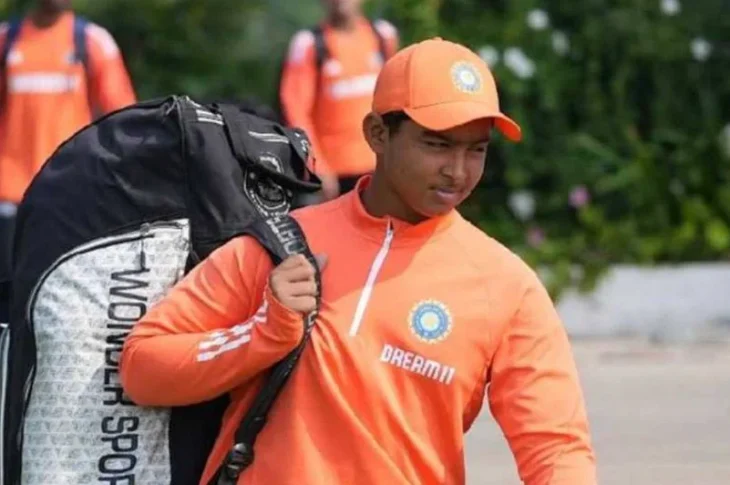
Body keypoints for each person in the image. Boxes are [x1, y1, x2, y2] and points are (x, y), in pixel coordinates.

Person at [120, 38, 597, 484]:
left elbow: (556, 449)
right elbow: (142, 369)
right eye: (436, 144)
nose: (457, 171)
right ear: (377, 134)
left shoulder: (507, 285)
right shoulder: (282, 244)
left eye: (476, 150)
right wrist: (263, 332)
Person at [0, 0, 136, 279]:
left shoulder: (92, 41)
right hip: (9, 194)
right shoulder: (6, 40)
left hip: (69, 193)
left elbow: (123, 122)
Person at [278, 0, 399, 201]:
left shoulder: (383, 36)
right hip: (334, 178)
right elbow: (295, 110)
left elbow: (397, 99)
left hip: (380, 168)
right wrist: (317, 166)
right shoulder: (309, 43)